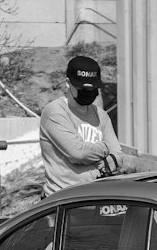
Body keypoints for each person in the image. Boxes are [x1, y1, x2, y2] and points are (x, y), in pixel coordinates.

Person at [39, 54, 122, 196]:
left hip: (98, 197)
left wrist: (99, 159)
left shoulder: (101, 115)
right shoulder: (55, 112)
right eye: (83, 89)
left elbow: (118, 157)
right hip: (64, 200)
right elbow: (77, 153)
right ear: (67, 83)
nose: (88, 93)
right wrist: (105, 148)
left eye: (92, 89)